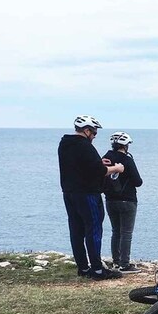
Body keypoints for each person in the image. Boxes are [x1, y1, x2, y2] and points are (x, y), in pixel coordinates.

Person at [58, 115, 125, 280]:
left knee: (76, 230)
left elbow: (82, 166)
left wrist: (99, 164)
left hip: (69, 193)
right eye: (94, 133)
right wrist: (116, 168)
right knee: (93, 229)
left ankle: (83, 267)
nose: (94, 136)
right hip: (87, 193)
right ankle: (97, 269)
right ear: (87, 130)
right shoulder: (84, 146)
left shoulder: (64, 144)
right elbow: (98, 171)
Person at [102, 132, 143, 273]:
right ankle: (125, 264)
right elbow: (138, 182)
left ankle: (116, 261)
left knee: (115, 231)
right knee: (126, 233)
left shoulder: (105, 158)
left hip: (110, 199)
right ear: (125, 145)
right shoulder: (127, 160)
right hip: (128, 200)